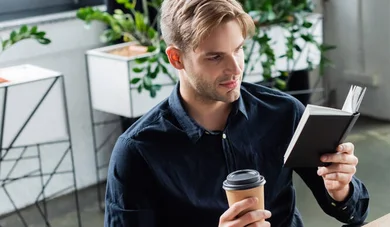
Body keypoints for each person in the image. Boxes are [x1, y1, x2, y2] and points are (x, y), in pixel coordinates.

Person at [103, 0, 370, 226]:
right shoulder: (138, 151)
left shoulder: (283, 112)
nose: (235, 68)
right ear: (176, 58)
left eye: (238, 49)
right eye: (215, 57)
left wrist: (341, 189)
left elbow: (355, 214)